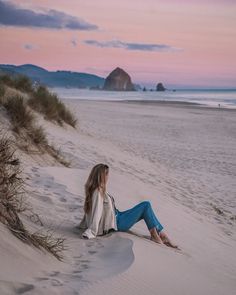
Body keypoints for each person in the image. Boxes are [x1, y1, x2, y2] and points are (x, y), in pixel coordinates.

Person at [78, 163, 179, 248]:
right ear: (102, 176)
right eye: (107, 175)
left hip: (118, 215)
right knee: (145, 205)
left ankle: (161, 234)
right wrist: (91, 231)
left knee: (145, 207)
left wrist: (84, 223)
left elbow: (89, 211)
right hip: (118, 222)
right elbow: (96, 211)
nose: (108, 177)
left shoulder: (96, 189)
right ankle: (155, 234)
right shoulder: (98, 192)